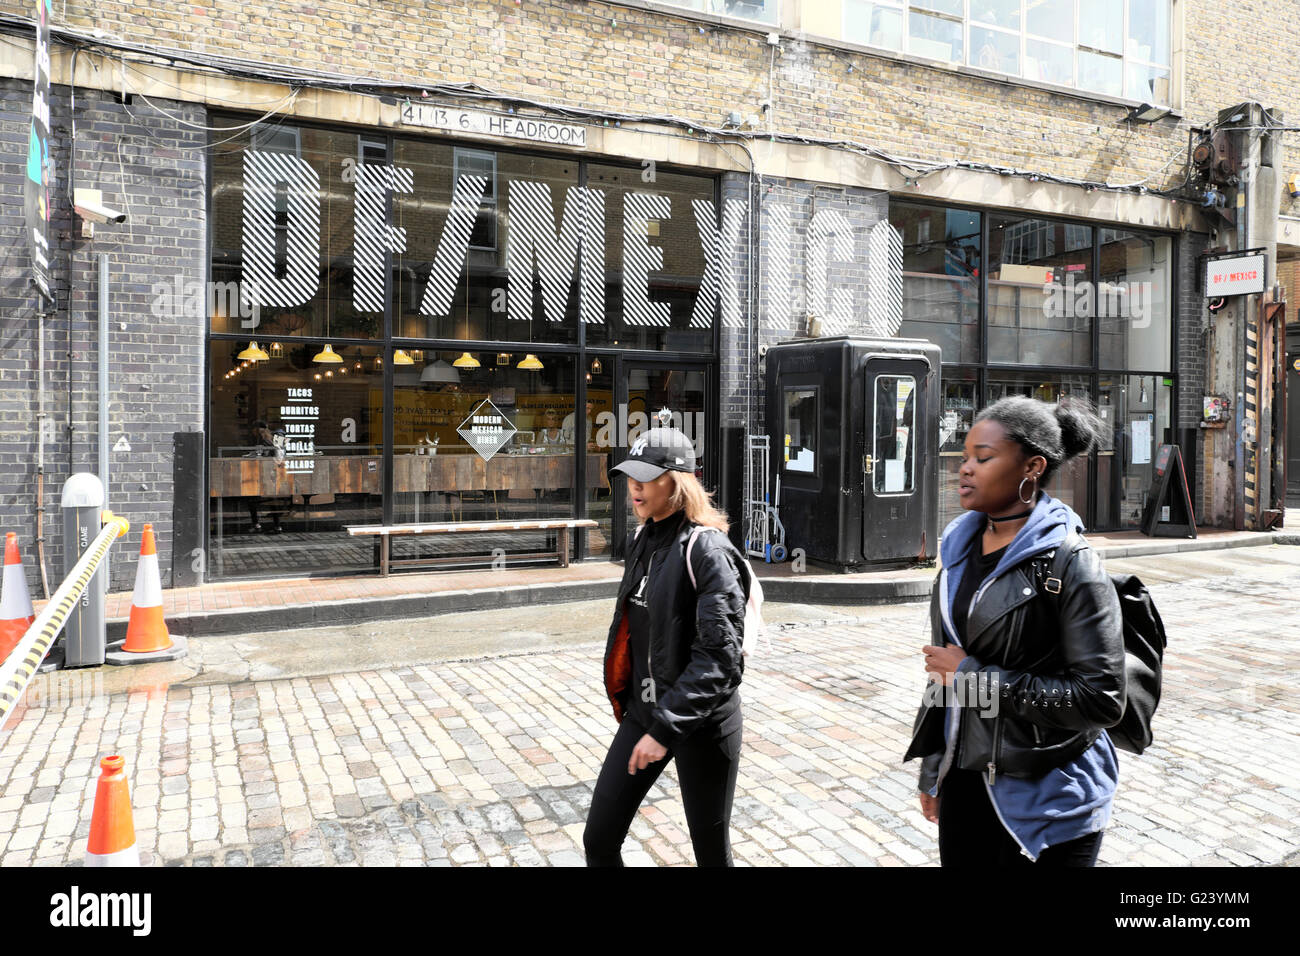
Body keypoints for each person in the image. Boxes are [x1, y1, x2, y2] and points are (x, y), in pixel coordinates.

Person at [903, 395, 1125, 866]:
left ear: (1032, 467)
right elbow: (945, 675)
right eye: (964, 457)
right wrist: (934, 770)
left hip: (1050, 799)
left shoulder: (1072, 562)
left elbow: (1101, 699)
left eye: (983, 458)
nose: (965, 469)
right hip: (966, 782)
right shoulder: (958, 553)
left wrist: (973, 678)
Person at [584, 426, 747, 867]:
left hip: (701, 724)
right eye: (630, 476)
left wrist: (666, 728)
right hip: (645, 714)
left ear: (677, 482)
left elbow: (721, 657)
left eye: (647, 476)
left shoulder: (707, 550)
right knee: (599, 839)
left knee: (711, 853)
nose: (634, 486)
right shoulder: (641, 539)